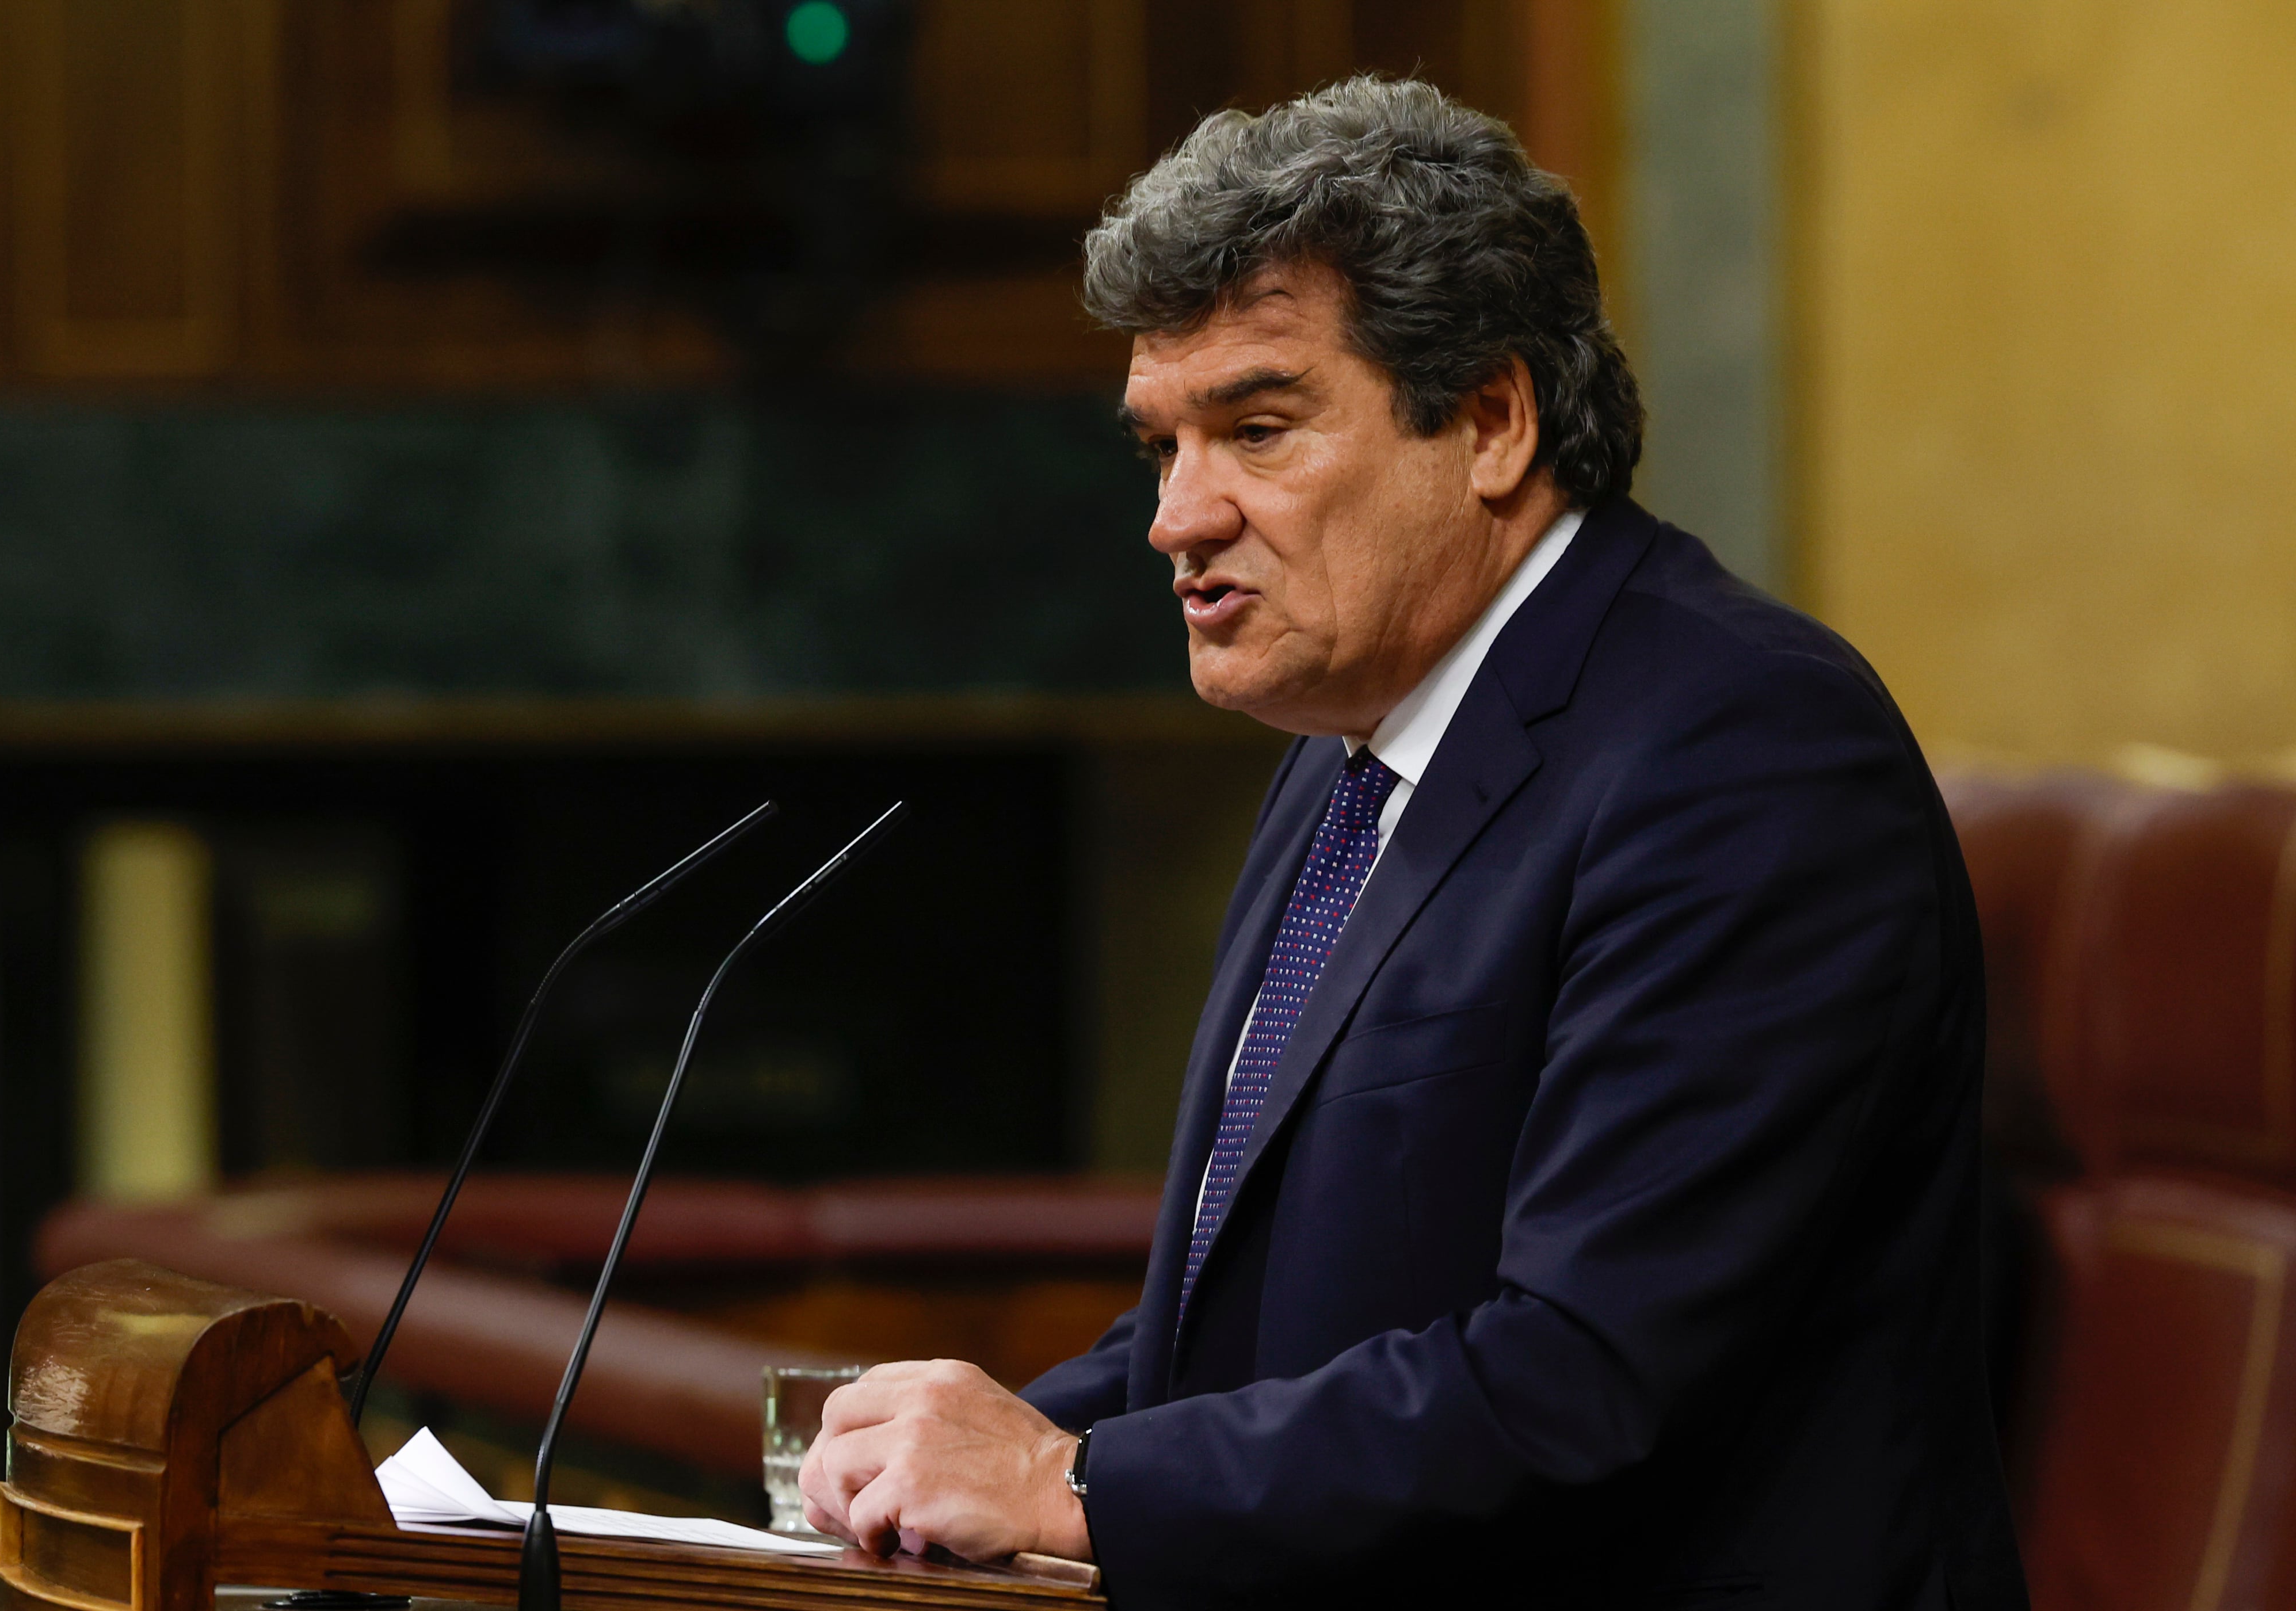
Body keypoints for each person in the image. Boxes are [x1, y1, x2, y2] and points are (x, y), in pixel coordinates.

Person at [798, 76, 2027, 1609]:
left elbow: (1588, 1378)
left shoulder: (1746, 751)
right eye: (1160, 447)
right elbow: (1283, 1331)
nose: (1180, 517)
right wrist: (1012, 1435)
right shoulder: (1357, 746)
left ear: (1494, 420)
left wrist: (1067, 1484)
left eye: (1255, 427)